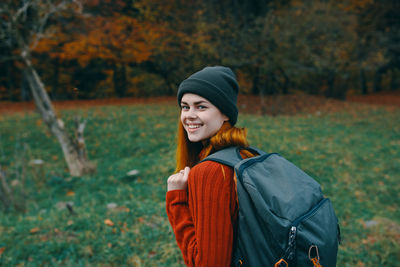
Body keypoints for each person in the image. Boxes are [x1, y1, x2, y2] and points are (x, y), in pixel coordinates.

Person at [166, 66, 254, 267]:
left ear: (225, 114)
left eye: (201, 106)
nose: (189, 115)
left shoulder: (211, 172)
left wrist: (176, 200)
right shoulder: (242, 154)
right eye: (185, 106)